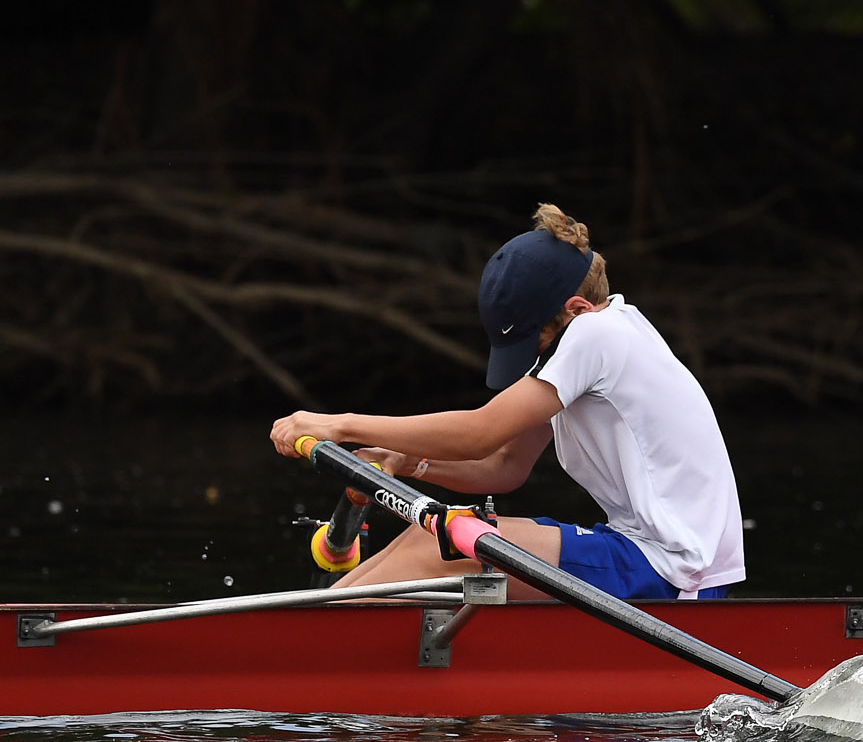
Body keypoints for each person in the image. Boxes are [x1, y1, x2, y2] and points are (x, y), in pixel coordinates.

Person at [268, 204, 744, 600]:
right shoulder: (597, 343)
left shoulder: (599, 334)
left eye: (532, 342)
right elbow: (504, 465)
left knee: (440, 551)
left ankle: (282, 656)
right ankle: (291, 634)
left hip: (675, 570)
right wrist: (410, 463)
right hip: (644, 553)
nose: (530, 360)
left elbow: (480, 433)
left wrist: (340, 424)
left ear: (574, 310)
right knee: (428, 537)